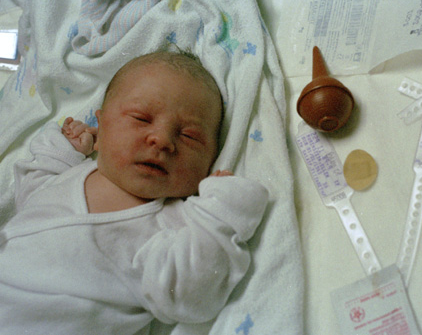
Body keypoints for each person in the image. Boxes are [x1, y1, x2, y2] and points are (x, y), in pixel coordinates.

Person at [0, 50, 269, 334]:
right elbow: (31, 191)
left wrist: (221, 216)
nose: (162, 139)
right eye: (141, 119)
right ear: (100, 128)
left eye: (190, 136)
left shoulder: (176, 226)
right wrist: (62, 148)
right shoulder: (65, 178)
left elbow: (193, 295)